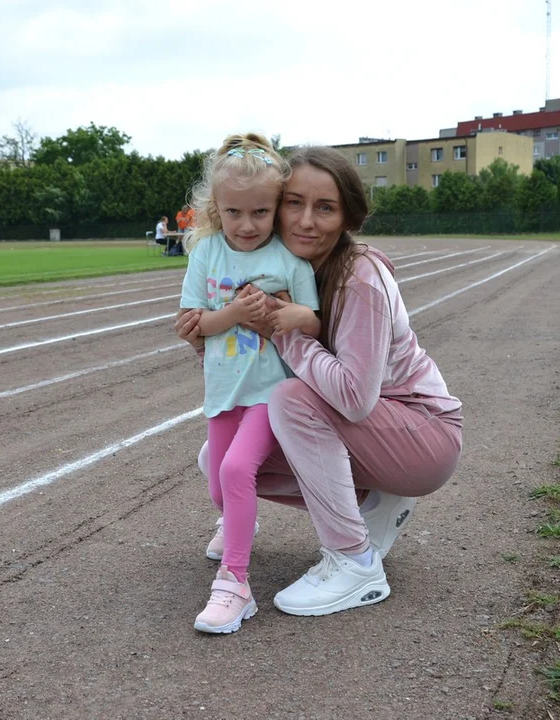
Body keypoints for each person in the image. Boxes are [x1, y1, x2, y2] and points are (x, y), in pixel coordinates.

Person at [176, 145, 463, 620]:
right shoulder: (298, 268)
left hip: (423, 435)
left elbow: (352, 397)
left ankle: (355, 562)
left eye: (325, 207)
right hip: (378, 435)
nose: (306, 220)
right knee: (217, 460)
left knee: (290, 400)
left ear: (348, 218)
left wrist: (284, 334)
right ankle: (373, 500)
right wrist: (206, 337)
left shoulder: (359, 280)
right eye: (295, 203)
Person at [179, 134, 321, 634]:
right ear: (216, 209)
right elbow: (194, 323)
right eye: (234, 212)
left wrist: (286, 311)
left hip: (270, 392)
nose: (247, 224)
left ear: (276, 207)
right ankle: (238, 523)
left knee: (239, 470)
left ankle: (235, 583)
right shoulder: (206, 255)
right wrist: (235, 313)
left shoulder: (289, 261)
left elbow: (314, 324)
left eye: (260, 212)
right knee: (220, 484)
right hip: (222, 392)